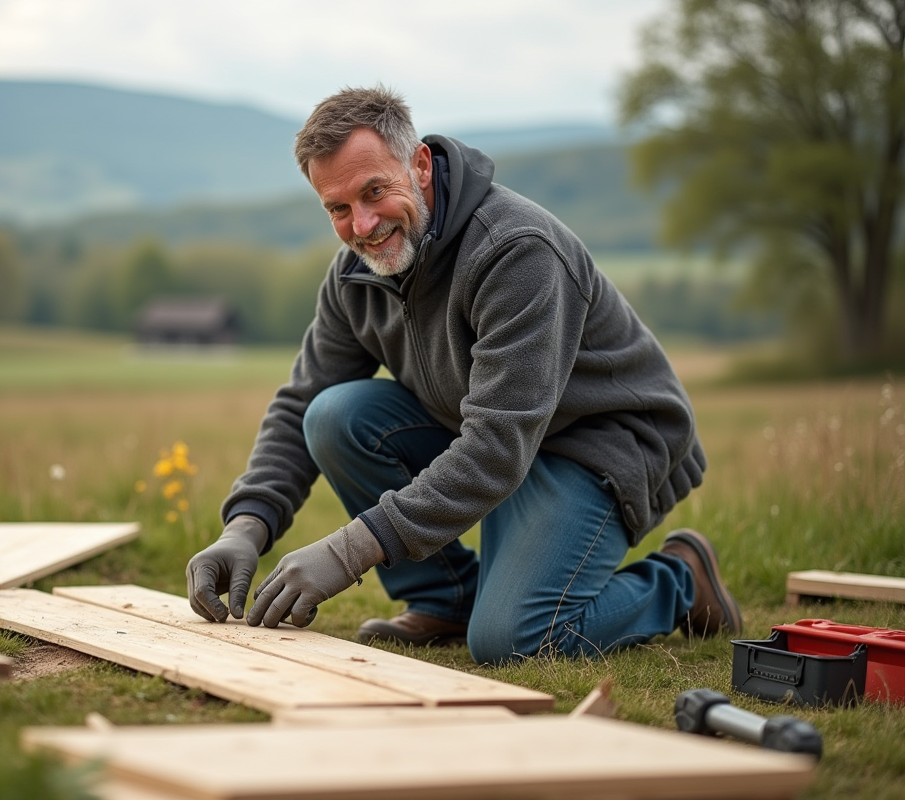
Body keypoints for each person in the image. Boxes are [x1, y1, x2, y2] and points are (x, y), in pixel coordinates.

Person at [185, 86, 741, 663]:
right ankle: (445, 598)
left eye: (375, 191)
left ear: (420, 165)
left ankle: (681, 579)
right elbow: (303, 401)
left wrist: (348, 553)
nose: (364, 224)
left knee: (515, 640)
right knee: (333, 415)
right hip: (493, 434)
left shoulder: (516, 251)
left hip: (600, 444)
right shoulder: (355, 275)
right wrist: (245, 527)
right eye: (339, 208)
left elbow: (497, 447)